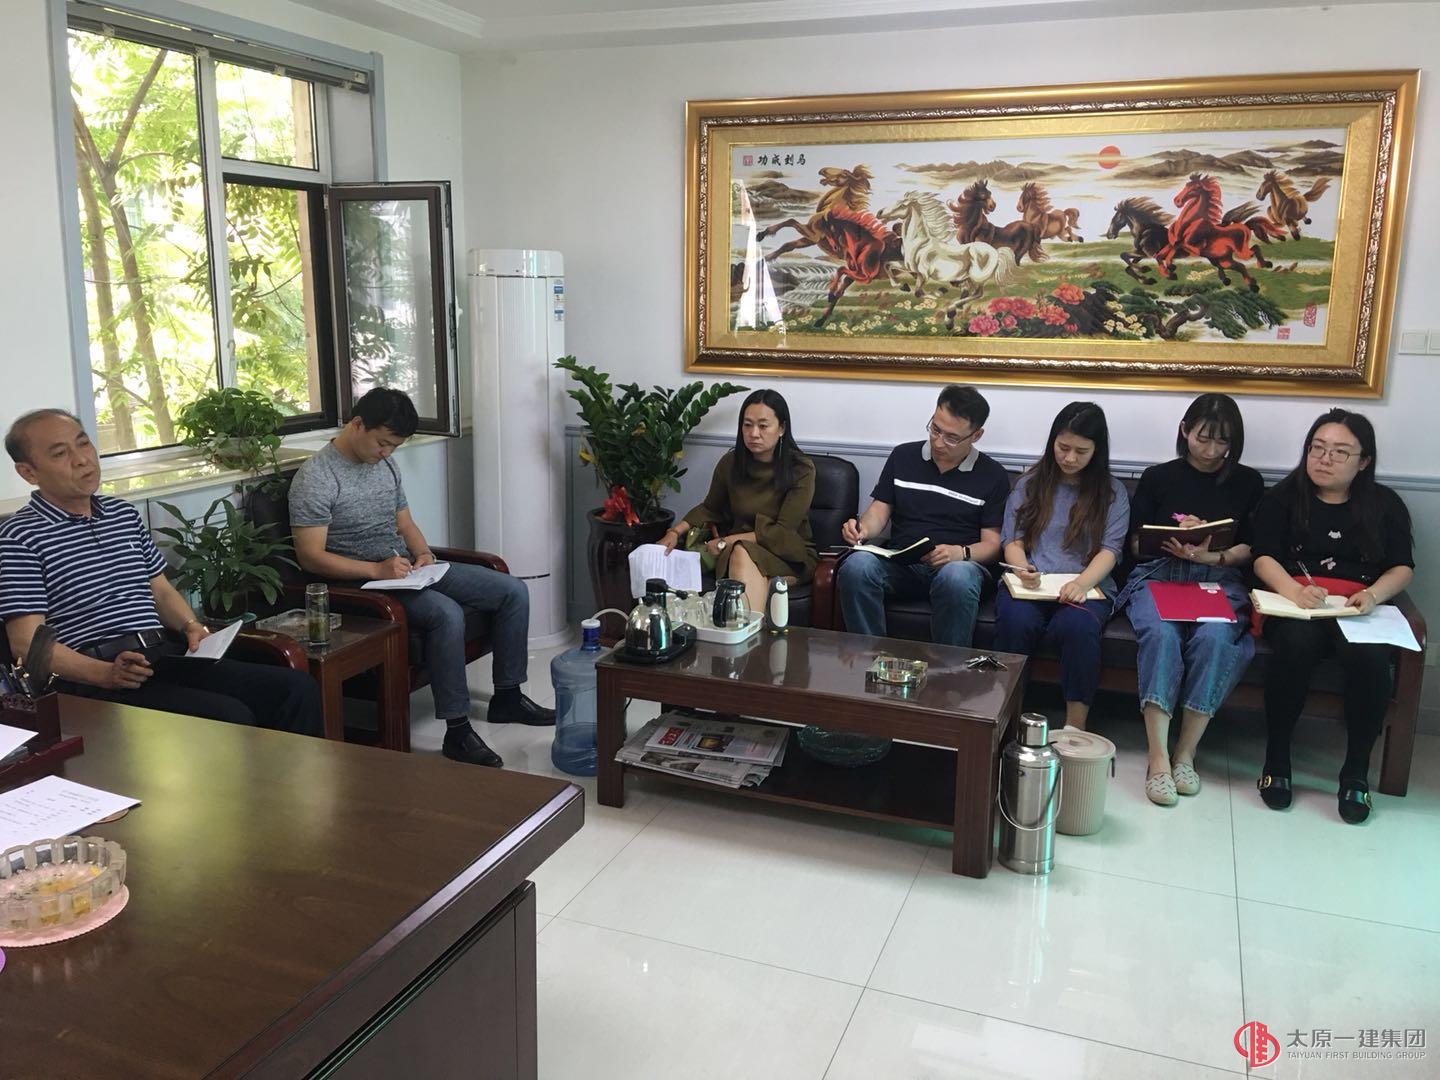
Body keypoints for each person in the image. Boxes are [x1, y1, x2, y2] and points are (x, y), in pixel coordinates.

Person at [0, 409, 323, 736]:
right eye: (60, 453)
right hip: (93, 678)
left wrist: (191, 626)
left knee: (295, 689)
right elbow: (27, 643)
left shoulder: (122, 514)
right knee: (228, 716)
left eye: (83, 444)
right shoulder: (19, 537)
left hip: (158, 656)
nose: (82, 459)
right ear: (28, 472)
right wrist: (104, 674)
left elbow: (160, 590)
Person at [289, 388, 553, 769]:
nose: (387, 453)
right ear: (357, 424)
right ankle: (457, 730)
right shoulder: (317, 477)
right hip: (362, 583)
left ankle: (508, 697)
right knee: (446, 614)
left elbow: (405, 523)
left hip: (403, 570)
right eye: (383, 443)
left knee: (512, 591)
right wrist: (375, 570)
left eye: (394, 447)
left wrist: (424, 554)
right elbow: (311, 556)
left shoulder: (385, 465)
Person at [1251, 408, 1414, 824]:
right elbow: (1263, 557)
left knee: (1370, 658)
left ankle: (1355, 771)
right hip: (1295, 602)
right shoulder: (1282, 499)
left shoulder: (1385, 505)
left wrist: (1373, 595)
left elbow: (1402, 566)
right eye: (1317, 448)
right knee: (1295, 645)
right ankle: (1277, 760)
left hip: (1357, 604)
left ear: (1363, 461)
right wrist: (1294, 591)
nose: (1324, 459)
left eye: (1340, 452)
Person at [1120, 393, 1265, 807]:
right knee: (1160, 634)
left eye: (1223, 442)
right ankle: (1158, 758)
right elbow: (1135, 543)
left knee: (1216, 639)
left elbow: (1251, 547)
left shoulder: (1248, 482)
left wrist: (1212, 554)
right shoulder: (1158, 477)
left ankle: (1186, 752)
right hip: (1160, 573)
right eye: (1203, 438)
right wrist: (1174, 538)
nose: (1212, 450)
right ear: (1185, 431)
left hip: (1217, 578)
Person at [837, 385, 1009, 647]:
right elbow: (879, 512)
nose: (938, 442)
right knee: (856, 566)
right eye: (935, 429)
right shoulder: (903, 456)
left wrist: (959, 553)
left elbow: (993, 545)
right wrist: (862, 529)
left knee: (956, 578)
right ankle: (870, 659)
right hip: (902, 563)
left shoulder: (993, 475)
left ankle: (948, 669)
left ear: (976, 435)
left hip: (957, 567)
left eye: (951, 438)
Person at [995, 402, 1127, 732]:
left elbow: (1110, 551)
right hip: (1032, 582)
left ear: (1097, 451)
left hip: (1087, 586)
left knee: (1077, 627)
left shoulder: (1112, 492)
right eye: (1063, 447)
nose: (1069, 458)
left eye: (1081, 451)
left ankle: (1074, 728)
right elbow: (1012, 540)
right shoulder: (1030, 484)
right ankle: (1006, 717)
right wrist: (1022, 569)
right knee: (1016, 620)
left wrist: (1082, 584)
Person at [660, 389, 815, 614]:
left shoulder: (801, 469)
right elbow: (709, 508)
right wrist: (674, 532)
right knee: (741, 553)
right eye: (747, 425)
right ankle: (751, 630)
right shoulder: (731, 462)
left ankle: (746, 630)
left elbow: (783, 531)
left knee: (741, 551)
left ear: (781, 428)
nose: (754, 433)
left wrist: (728, 541)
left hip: (787, 553)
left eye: (763, 426)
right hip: (737, 551)